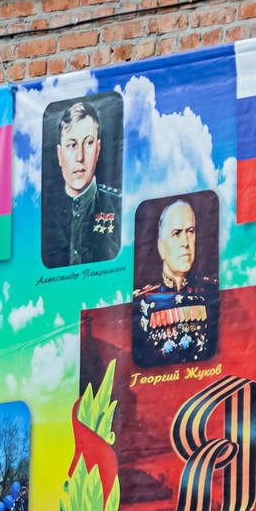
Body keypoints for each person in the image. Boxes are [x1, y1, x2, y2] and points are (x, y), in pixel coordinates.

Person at [132, 199, 219, 366]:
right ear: (161, 247)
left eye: (190, 232)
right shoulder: (141, 302)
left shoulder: (212, 294)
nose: (185, 243)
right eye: (177, 233)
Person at [39, 99, 121, 268]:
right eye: (72, 145)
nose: (80, 157)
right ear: (60, 154)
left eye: (88, 143)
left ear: (97, 150)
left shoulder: (118, 206)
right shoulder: (43, 213)